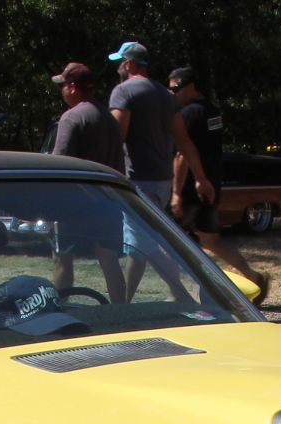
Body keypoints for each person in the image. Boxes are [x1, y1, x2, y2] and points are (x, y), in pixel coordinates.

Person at [107, 41, 210, 300]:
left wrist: (104, 174)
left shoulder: (123, 92)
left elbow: (116, 137)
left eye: (121, 62)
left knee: (146, 246)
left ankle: (181, 294)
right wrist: (201, 178)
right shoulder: (166, 95)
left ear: (129, 63)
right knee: (138, 246)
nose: (119, 67)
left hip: (137, 180)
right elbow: (183, 140)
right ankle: (125, 301)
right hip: (163, 180)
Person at [169, 68, 271, 299]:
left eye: (175, 88)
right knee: (211, 240)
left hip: (190, 187)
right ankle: (252, 277)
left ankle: (181, 294)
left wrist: (176, 192)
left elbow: (182, 154)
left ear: (191, 86)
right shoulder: (212, 111)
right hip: (210, 185)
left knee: (168, 242)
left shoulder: (189, 114)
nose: (172, 94)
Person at [46, 61, 125, 300]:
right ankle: (121, 311)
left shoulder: (71, 118)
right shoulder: (109, 118)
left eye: (63, 85)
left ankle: (61, 309)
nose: (62, 91)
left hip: (74, 203)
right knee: (109, 259)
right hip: (107, 200)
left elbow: (59, 165)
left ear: (72, 86)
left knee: (62, 258)